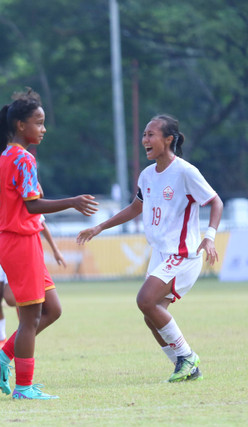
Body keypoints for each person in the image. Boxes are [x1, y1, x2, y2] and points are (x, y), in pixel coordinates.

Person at [77, 114, 223, 383]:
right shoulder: (146, 175)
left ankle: (187, 356)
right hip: (160, 254)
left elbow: (216, 202)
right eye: (144, 134)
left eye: (151, 134)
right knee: (150, 314)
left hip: (183, 255)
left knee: (145, 301)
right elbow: (135, 208)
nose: (145, 139)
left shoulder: (185, 172)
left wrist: (210, 236)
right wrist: (99, 228)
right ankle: (184, 365)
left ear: (169, 139)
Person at [0, 88, 98, 400]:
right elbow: (32, 206)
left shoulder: (9, 155)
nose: (43, 128)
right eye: (39, 122)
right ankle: (23, 388)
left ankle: (1, 358)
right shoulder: (22, 158)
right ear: (21, 125)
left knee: (53, 310)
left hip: (23, 241)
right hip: (19, 243)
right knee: (30, 318)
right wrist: (73, 201)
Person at [0, 192, 67, 347]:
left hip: (14, 251)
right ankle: (1, 339)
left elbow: (40, 223)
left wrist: (55, 249)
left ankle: (22, 331)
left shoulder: (22, 196)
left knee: (12, 298)